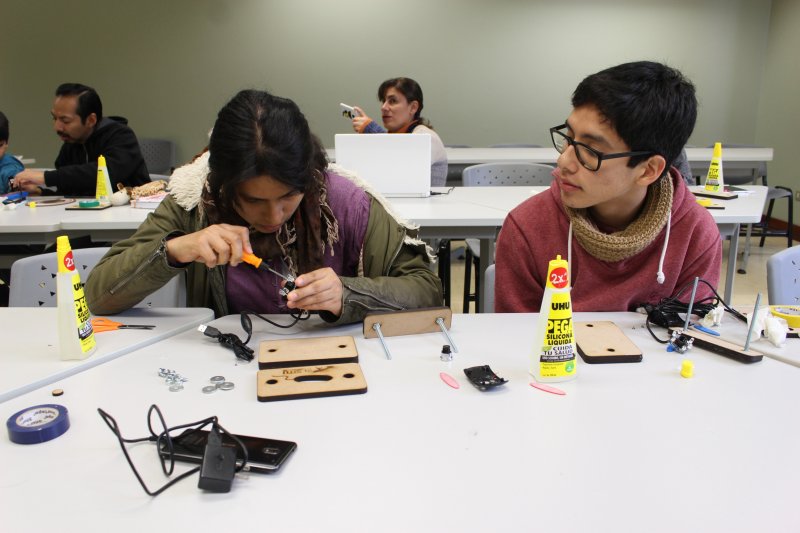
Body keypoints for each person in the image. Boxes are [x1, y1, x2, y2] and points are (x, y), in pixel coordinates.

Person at [85, 89, 443, 323]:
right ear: (224, 185)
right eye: (254, 200)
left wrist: (345, 294)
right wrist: (176, 250)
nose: (273, 216)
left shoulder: (345, 201)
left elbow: (426, 290)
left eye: (289, 197)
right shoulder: (195, 201)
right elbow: (95, 297)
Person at [495, 61, 722, 312]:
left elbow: (686, 336)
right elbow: (515, 339)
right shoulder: (528, 227)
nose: (564, 161)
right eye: (568, 139)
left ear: (648, 170)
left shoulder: (694, 233)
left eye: (591, 150)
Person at [13, 83, 150, 196]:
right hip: (85, 220)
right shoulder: (71, 144)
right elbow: (69, 195)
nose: (57, 127)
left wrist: (46, 177)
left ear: (91, 120)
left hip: (130, 220)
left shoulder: (121, 136)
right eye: (54, 118)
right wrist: (40, 192)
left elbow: (104, 174)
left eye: (65, 120)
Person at [351, 77, 448, 186]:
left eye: (392, 101)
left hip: (426, 202)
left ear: (413, 108)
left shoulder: (426, 136)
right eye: (384, 101)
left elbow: (401, 166)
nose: (384, 107)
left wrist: (371, 130)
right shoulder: (395, 135)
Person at [0, 111, 24, 195]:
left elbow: (16, 188)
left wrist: (15, 187)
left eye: (0, 145)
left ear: (6, 143)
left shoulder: (10, 168)